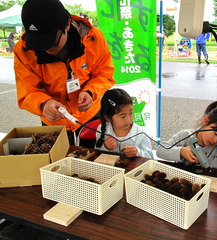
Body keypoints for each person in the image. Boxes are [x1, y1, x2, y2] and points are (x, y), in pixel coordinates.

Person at [13, 0, 115, 145]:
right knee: (58, 163)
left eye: (51, 41)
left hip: (90, 114)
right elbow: (27, 90)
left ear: (67, 25)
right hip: (53, 120)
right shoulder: (23, 51)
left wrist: (91, 92)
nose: (46, 48)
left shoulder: (93, 39)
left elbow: (104, 74)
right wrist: (44, 104)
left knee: (95, 159)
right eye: (38, 44)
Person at [156, 100, 217, 170]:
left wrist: (205, 158)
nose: (216, 141)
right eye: (215, 133)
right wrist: (181, 151)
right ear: (206, 121)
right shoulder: (185, 135)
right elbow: (160, 150)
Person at [95, 88, 153, 159]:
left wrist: (138, 152)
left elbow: (150, 156)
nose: (128, 119)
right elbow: (96, 153)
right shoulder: (102, 129)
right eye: (123, 116)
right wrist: (105, 147)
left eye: (131, 113)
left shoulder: (141, 133)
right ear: (107, 117)